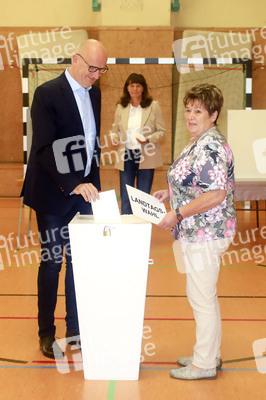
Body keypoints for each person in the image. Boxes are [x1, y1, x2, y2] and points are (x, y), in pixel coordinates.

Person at [21, 39, 108, 358]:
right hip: (54, 194)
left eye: (102, 69)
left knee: (79, 262)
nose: (97, 75)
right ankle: (46, 332)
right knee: (52, 261)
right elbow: (43, 149)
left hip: (84, 192)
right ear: (75, 59)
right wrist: (73, 184)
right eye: (92, 68)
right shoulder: (46, 94)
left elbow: (91, 144)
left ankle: (75, 329)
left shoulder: (95, 93)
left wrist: (92, 185)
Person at [154, 83, 237, 380]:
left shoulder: (211, 145)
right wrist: (170, 193)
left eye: (198, 111)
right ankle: (209, 354)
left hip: (206, 232)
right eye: (188, 110)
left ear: (213, 114)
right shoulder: (198, 140)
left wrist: (176, 214)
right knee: (204, 296)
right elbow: (195, 183)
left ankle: (203, 364)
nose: (191, 115)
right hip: (198, 231)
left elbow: (215, 194)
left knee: (201, 297)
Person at [111, 73, 165, 214]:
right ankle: (126, 226)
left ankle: (142, 226)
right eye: (132, 85)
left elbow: (162, 132)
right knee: (126, 195)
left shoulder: (154, 106)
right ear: (127, 88)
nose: (135, 89)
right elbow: (114, 129)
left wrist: (148, 139)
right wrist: (114, 137)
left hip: (146, 155)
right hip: (126, 155)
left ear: (143, 88)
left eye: (138, 86)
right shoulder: (120, 107)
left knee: (143, 196)